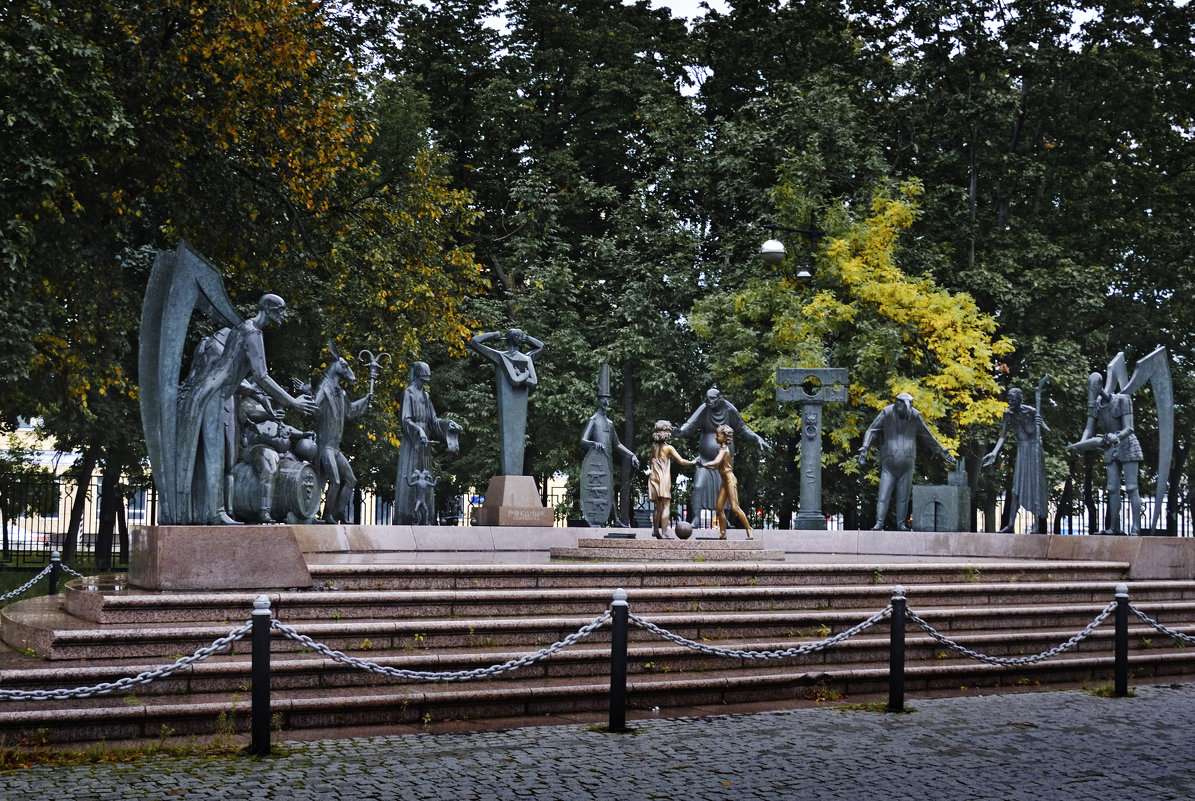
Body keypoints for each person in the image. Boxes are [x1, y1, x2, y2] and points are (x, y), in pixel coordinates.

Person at [176, 294, 315, 524]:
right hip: (213, 395)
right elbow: (261, 376)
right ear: (268, 309)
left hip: (214, 394)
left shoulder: (244, 328)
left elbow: (236, 371)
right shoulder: (252, 332)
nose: (284, 315)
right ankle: (216, 513)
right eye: (280, 310)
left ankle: (211, 512)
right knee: (215, 457)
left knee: (216, 457)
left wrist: (260, 397)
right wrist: (292, 401)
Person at [857, 392, 956, 530]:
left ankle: (901, 524)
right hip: (889, 465)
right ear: (897, 404)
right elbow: (872, 430)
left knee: (903, 497)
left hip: (907, 464)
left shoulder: (914, 415)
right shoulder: (887, 413)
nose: (906, 410)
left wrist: (940, 450)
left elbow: (927, 435)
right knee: (883, 495)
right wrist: (865, 448)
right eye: (903, 405)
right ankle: (879, 523)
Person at [678, 387, 769, 525]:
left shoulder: (729, 409)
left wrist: (757, 438)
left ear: (720, 398)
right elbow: (690, 425)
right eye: (707, 400)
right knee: (698, 486)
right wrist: (678, 431)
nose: (710, 402)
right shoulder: (705, 409)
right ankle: (696, 518)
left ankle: (724, 520)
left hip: (724, 463)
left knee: (724, 491)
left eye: (713, 399)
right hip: (705, 458)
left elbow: (742, 428)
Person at [1068, 372, 1143, 534]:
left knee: (1131, 487)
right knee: (1112, 488)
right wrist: (1080, 445)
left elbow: (1129, 428)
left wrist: (1117, 436)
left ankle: (1136, 527)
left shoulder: (1123, 400)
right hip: (1110, 446)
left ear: (1100, 386)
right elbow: (1089, 429)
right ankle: (1114, 527)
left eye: (1094, 388)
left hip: (1128, 445)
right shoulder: (1095, 405)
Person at [468, 328, 545, 476]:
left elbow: (542, 347)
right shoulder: (500, 357)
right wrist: (493, 335)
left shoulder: (527, 358)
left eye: (521, 335)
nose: (520, 337)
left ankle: (516, 474)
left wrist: (528, 337)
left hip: (519, 401)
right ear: (510, 338)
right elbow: (474, 342)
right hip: (507, 402)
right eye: (517, 335)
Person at [394, 361, 461, 525]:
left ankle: (425, 518)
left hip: (424, 443)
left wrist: (448, 423)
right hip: (413, 441)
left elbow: (434, 421)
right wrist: (419, 431)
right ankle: (408, 517)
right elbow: (405, 420)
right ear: (417, 376)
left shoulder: (426, 396)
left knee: (425, 474)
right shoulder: (408, 393)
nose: (424, 383)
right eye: (423, 379)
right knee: (412, 474)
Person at [312, 344, 371, 524]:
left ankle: (338, 513)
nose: (348, 371)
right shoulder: (323, 388)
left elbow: (351, 411)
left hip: (335, 449)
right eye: (345, 366)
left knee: (350, 480)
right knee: (335, 481)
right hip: (325, 447)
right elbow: (313, 408)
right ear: (336, 366)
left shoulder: (341, 392)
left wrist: (365, 400)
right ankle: (326, 515)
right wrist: (306, 394)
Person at [579, 365, 639, 526]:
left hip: (607, 461)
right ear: (599, 400)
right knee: (598, 490)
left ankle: (616, 519)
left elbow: (617, 444)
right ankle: (602, 518)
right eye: (603, 398)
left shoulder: (610, 423)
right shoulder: (593, 420)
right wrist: (593, 443)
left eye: (608, 399)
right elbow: (583, 441)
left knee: (610, 491)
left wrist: (631, 454)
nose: (606, 401)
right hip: (596, 464)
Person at [983, 387, 1048, 533]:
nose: (1010, 401)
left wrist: (1039, 423)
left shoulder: (1031, 411)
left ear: (1020, 398)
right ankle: (1011, 524)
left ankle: (1037, 523)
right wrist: (994, 452)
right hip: (1022, 450)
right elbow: (1002, 436)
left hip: (1034, 450)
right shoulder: (1008, 414)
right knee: (1015, 489)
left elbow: (1046, 431)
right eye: (1009, 398)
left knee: (1035, 486)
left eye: (1013, 398)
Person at [699, 425, 753, 539]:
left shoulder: (724, 450)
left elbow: (715, 462)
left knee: (735, 507)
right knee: (718, 508)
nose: (715, 437)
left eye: (718, 435)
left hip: (730, 480)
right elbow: (715, 466)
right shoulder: (721, 450)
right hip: (724, 481)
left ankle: (749, 529)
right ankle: (723, 533)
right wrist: (704, 466)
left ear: (724, 437)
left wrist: (703, 464)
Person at [648, 420, 695, 538]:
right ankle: (664, 532)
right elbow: (681, 461)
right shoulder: (669, 448)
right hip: (663, 477)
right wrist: (693, 462)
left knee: (657, 506)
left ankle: (655, 530)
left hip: (653, 477)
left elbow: (650, 462)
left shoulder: (654, 448)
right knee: (666, 505)